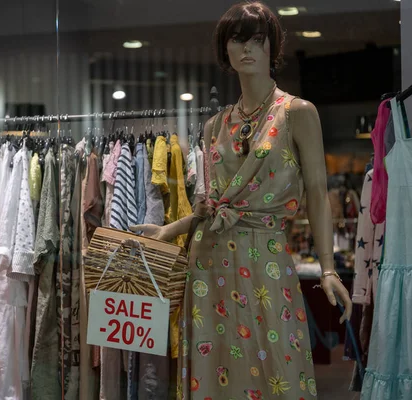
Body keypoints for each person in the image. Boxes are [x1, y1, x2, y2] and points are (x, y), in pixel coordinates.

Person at [131, 2, 352, 399]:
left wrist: (328, 268)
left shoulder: (297, 113)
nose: (247, 48)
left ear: (273, 47)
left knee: (278, 364)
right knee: (216, 371)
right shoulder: (215, 125)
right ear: (225, 51)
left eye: (257, 39)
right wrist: (170, 229)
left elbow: (318, 194)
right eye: (237, 39)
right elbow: (211, 208)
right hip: (209, 264)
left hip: (266, 259)